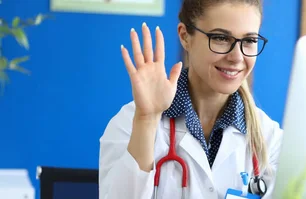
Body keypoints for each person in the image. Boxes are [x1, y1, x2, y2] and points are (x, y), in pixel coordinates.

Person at [98, 0, 283, 198]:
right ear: (185, 36)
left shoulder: (269, 139)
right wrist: (146, 120)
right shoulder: (130, 123)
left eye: (249, 41)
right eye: (221, 38)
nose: (237, 57)